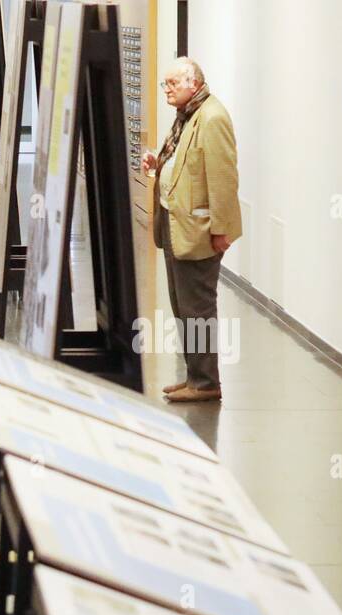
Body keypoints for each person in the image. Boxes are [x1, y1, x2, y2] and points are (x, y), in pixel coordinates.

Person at [141, 57, 241, 403]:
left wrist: (221, 230)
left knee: (197, 307)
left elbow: (224, 179)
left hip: (197, 229)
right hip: (176, 222)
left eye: (172, 84)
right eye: (164, 84)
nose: (167, 90)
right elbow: (185, 164)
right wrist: (159, 162)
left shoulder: (212, 118)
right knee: (183, 306)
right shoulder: (188, 115)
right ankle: (194, 376)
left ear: (193, 83)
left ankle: (206, 383)